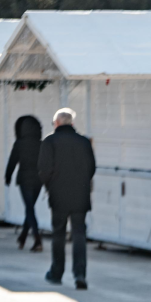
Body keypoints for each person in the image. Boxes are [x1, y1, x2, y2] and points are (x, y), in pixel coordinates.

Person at [38, 108, 96, 290]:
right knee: (79, 234)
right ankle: (80, 275)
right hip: (80, 195)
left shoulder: (49, 141)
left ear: (56, 123)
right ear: (72, 123)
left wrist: (50, 186)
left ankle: (56, 273)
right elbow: (92, 168)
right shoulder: (84, 142)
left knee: (59, 234)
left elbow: (43, 169)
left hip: (58, 194)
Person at [5, 115, 45, 252]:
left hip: (24, 179)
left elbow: (12, 161)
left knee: (29, 208)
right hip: (39, 180)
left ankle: (37, 238)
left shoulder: (19, 143)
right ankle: (23, 236)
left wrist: (7, 176)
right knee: (30, 208)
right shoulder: (41, 143)